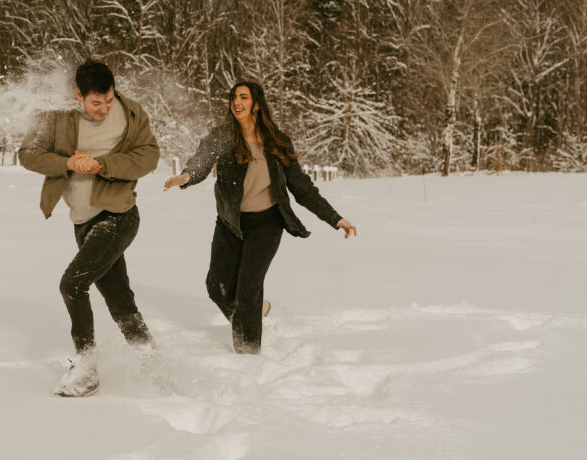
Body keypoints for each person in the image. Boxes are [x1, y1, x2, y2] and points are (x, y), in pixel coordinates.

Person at [164, 81, 356, 355]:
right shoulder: (223, 137)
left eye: (243, 97)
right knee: (216, 287)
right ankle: (255, 312)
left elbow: (302, 187)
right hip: (231, 223)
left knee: (248, 287)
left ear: (256, 104)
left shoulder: (277, 141)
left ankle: (248, 354)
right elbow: (201, 162)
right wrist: (186, 176)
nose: (236, 102)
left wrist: (335, 218)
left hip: (267, 224)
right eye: (233, 97)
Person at [19, 59, 160, 397]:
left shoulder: (131, 112)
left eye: (108, 100)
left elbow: (149, 156)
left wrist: (105, 165)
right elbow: (27, 153)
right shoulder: (57, 118)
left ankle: (86, 368)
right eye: (96, 102)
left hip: (119, 215)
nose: (103, 108)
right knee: (121, 302)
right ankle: (153, 362)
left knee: (73, 284)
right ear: (78, 96)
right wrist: (67, 162)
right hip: (82, 222)